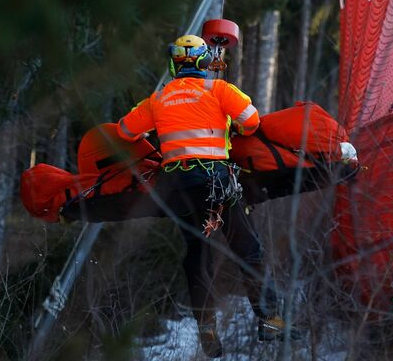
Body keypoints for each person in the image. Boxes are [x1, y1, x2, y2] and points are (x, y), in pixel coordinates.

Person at [116, 34, 298, 358]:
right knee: (247, 248)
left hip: (177, 189)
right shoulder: (218, 89)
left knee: (198, 256)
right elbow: (252, 121)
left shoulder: (158, 99)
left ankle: (206, 328)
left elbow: (125, 130)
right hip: (215, 181)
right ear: (202, 62)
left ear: (174, 64)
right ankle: (270, 319)